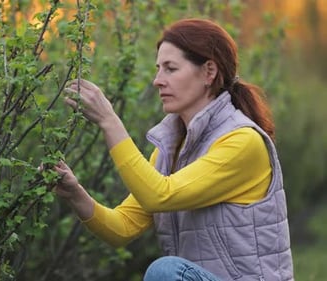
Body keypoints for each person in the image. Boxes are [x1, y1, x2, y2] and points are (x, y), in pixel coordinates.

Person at [52, 18, 294, 280]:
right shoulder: (172, 149)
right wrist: (76, 194)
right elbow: (122, 227)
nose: (157, 80)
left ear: (208, 72)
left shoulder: (242, 141)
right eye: (158, 69)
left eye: (170, 69)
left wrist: (109, 121)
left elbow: (159, 196)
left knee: (165, 271)